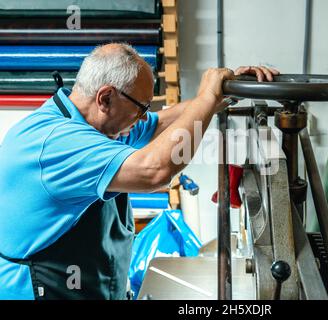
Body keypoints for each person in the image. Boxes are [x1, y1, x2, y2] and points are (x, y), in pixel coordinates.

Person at [0, 43, 279, 300]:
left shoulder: (89, 123)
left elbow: (159, 124)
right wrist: (206, 96)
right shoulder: (58, 143)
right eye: (141, 107)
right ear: (106, 97)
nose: (144, 116)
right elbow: (155, 171)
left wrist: (224, 93)